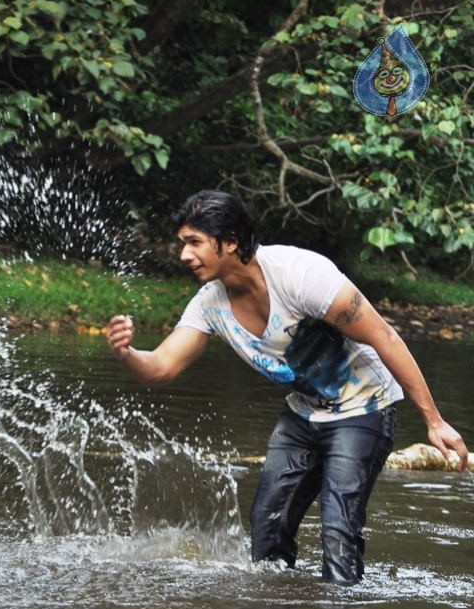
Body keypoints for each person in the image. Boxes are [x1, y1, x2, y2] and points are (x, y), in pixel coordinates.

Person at [106, 189, 468, 584]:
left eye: (194, 243)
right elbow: (161, 367)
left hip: (365, 408)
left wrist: (434, 421)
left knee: (338, 530)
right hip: (303, 414)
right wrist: (126, 353)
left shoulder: (300, 275)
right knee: (267, 524)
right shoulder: (210, 303)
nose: (184, 255)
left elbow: (384, 337)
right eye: (183, 244)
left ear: (230, 241)